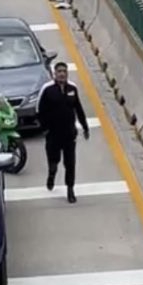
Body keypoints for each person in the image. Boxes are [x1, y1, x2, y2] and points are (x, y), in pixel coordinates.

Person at [37, 62, 91, 203]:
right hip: (53, 135)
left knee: (70, 163)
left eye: (64, 71)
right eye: (59, 71)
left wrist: (85, 126)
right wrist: (45, 129)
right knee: (54, 160)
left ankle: (70, 189)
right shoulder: (48, 90)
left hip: (69, 134)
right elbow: (40, 111)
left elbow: (78, 109)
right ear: (55, 74)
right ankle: (51, 174)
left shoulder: (72, 89)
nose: (62, 74)